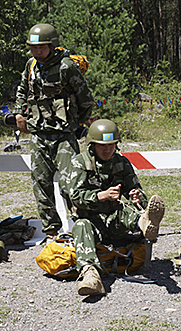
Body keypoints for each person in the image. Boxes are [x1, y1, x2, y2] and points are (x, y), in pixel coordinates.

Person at [13, 23, 94, 242]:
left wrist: (74, 124)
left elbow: (86, 98)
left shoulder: (66, 67)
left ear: (52, 45)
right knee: (41, 184)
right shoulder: (31, 65)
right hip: (39, 134)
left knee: (71, 184)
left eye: (41, 47)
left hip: (63, 136)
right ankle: (51, 232)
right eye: (33, 47)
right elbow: (22, 90)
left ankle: (81, 229)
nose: (37, 51)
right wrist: (19, 113)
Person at [67, 119, 165, 296]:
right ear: (92, 145)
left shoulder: (121, 162)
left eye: (112, 145)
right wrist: (100, 196)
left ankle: (145, 223)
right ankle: (91, 276)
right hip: (91, 222)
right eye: (103, 146)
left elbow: (135, 189)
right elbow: (74, 197)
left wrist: (137, 197)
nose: (107, 150)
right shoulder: (80, 163)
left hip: (114, 218)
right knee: (80, 226)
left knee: (129, 211)